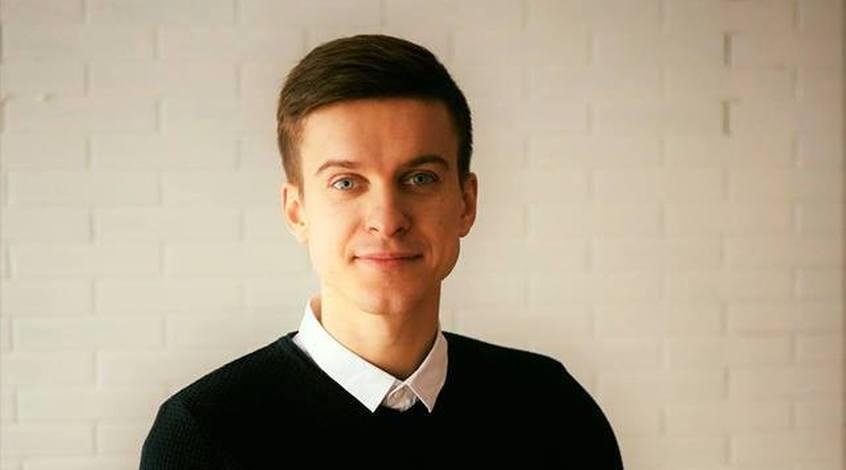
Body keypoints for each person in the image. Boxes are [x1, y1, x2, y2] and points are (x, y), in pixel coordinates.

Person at [140, 34, 623, 468]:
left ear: (466, 203)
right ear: (296, 211)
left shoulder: (552, 411)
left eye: (420, 178)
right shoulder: (203, 436)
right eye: (346, 182)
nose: (388, 218)